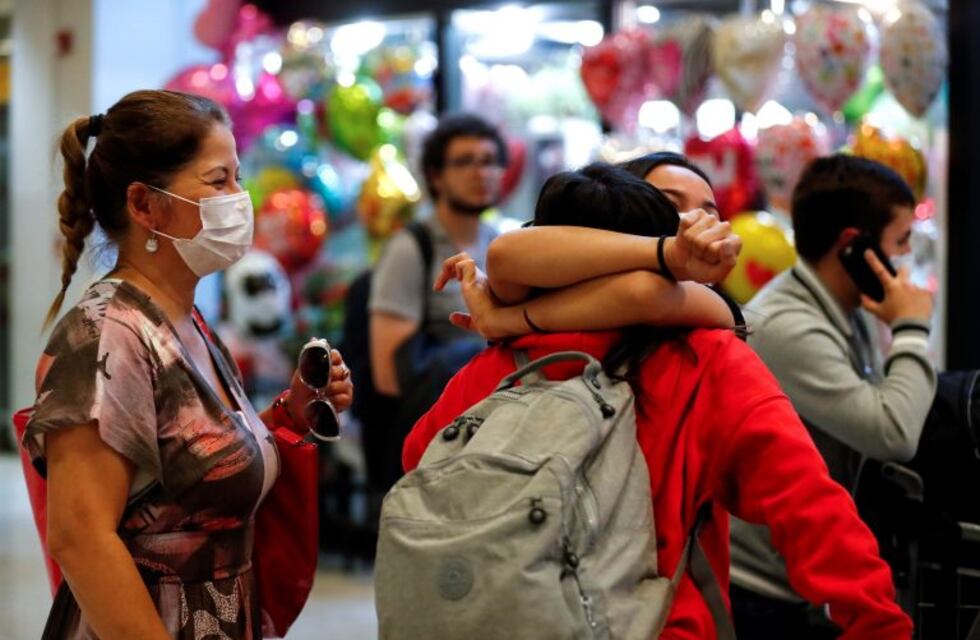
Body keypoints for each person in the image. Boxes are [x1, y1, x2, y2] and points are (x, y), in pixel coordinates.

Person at [405, 163, 912, 639]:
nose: (694, 226)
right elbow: (810, 509)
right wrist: (877, 624)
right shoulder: (708, 361)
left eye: (709, 212)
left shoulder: (500, 365)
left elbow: (419, 460)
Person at [22, 90, 353, 639]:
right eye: (218, 180)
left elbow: (188, 467)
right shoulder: (106, 334)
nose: (239, 198)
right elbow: (80, 538)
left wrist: (287, 415)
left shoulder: (185, 319)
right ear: (145, 205)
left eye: (238, 178)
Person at [727, 154, 937, 638]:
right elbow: (893, 431)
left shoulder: (844, 310)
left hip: (802, 577)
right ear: (852, 247)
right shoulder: (789, 327)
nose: (904, 262)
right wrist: (911, 329)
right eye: (900, 243)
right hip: (765, 595)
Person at [363, 113, 506, 494]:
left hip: (497, 429)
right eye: (465, 162)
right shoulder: (411, 248)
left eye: (490, 161)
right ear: (437, 176)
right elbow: (389, 373)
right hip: (435, 437)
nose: (481, 172)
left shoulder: (503, 244)